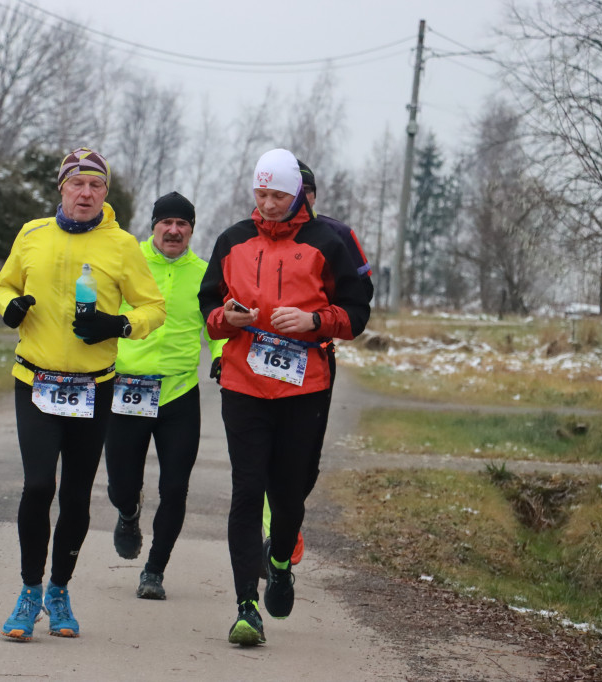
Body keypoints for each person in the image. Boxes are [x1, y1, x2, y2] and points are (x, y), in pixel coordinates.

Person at [0, 147, 166, 642]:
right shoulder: (32, 234)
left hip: (94, 388)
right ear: (61, 189)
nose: (85, 193)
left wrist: (120, 324)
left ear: (105, 194)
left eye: (95, 186)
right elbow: (3, 285)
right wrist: (11, 308)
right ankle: (29, 591)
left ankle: (60, 590)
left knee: (74, 497)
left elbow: (153, 307)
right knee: (38, 486)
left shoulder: (122, 245)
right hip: (36, 381)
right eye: (77, 184)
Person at [199, 148, 370, 646]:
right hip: (243, 383)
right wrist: (225, 320)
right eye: (261, 193)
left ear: (297, 193)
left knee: (290, 492)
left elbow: (356, 314)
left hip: (305, 386)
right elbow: (209, 306)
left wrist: (316, 321)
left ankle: (278, 563)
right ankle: (245, 608)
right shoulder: (232, 239)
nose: (268, 204)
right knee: (247, 490)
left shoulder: (327, 242)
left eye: (278, 195)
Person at [105, 191, 224, 600]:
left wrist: (221, 355)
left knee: (175, 488)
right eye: (166, 222)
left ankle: (154, 570)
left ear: (192, 229)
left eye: (182, 224)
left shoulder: (205, 273)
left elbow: (216, 324)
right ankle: (128, 511)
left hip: (178, 393)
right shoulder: (128, 262)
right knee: (121, 483)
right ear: (153, 225)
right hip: (127, 388)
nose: (174, 230)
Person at [259, 160, 375, 566]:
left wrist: (317, 317)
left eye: (306, 191)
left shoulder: (337, 235)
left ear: (312, 196)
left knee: (303, 463)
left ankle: (288, 515)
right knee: (261, 454)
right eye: (294, 190)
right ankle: (275, 531)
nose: (300, 199)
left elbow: (361, 293)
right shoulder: (257, 232)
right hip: (259, 359)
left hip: (314, 358)